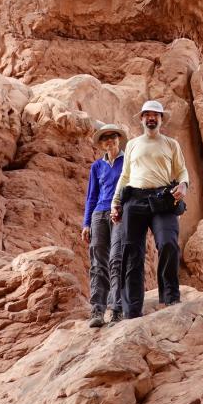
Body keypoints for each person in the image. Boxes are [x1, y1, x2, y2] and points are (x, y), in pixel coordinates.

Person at [111, 100, 189, 318]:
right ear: (142, 119)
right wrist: (115, 203)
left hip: (163, 199)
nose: (151, 118)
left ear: (161, 119)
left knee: (168, 243)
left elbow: (182, 171)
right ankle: (131, 310)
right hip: (134, 200)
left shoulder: (171, 144)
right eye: (147, 115)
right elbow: (124, 176)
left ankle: (171, 297)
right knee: (131, 253)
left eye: (155, 115)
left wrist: (183, 185)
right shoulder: (133, 145)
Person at [82, 123, 127, 328]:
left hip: (120, 212)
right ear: (101, 144)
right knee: (98, 262)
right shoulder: (96, 167)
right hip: (99, 214)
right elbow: (91, 196)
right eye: (105, 138)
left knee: (117, 259)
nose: (110, 140)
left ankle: (117, 309)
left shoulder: (128, 161)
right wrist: (86, 223)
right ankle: (97, 310)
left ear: (119, 139)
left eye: (113, 136)